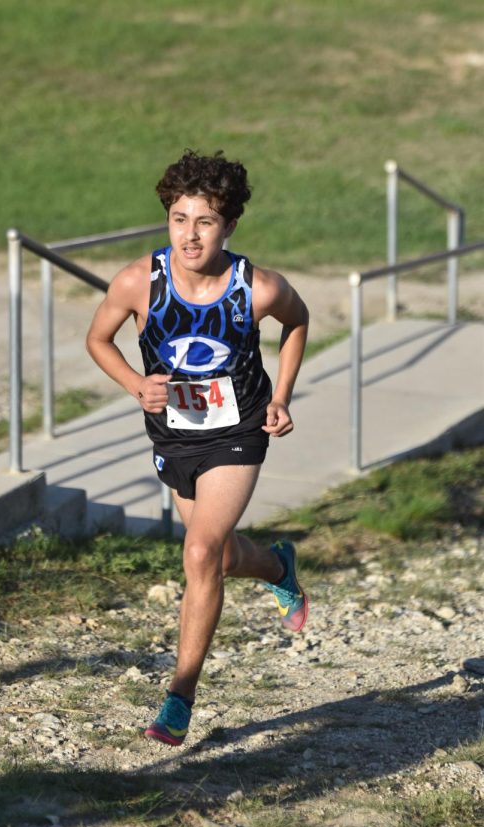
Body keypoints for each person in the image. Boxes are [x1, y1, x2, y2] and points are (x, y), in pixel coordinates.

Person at [86, 150, 309, 747]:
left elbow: (298, 323)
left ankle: (179, 695)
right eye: (179, 218)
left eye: (205, 221)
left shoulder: (257, 287)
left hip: (238, 434)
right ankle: (277, 565)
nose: (189, 234)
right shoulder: (140, 281)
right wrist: (136, 383)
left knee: (200, 552)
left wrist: (281, 396)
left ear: (229, 225)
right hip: (174, 437)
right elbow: (99, 339)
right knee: (221, 557)